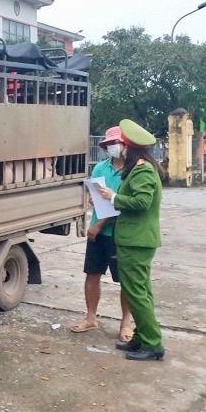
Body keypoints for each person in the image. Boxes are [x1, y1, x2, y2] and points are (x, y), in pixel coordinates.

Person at [97, 119, 166, 361]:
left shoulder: (143, 169)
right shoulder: (140, 167)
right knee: (140, 291)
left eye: (121, 145)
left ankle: (152, 343)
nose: (119, 150)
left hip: (136, 241)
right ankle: (142, 336)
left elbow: (141, 202)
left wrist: (113, 196)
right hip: (135, 240)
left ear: (130, 147)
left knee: (136, 293)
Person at [70, 126, 132, 341]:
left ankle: (126, 322)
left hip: (119, 232)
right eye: (109, 145)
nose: (112, 148)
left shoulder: (132, 171)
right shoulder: (100, 168)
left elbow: (123, 204)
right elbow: (96, 195)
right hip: (97, 232)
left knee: (126, 279)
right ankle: (90, 317)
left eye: (115, 143)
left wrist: (98, 225)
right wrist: (93, 200)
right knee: (92, 274)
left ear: (126, 145)